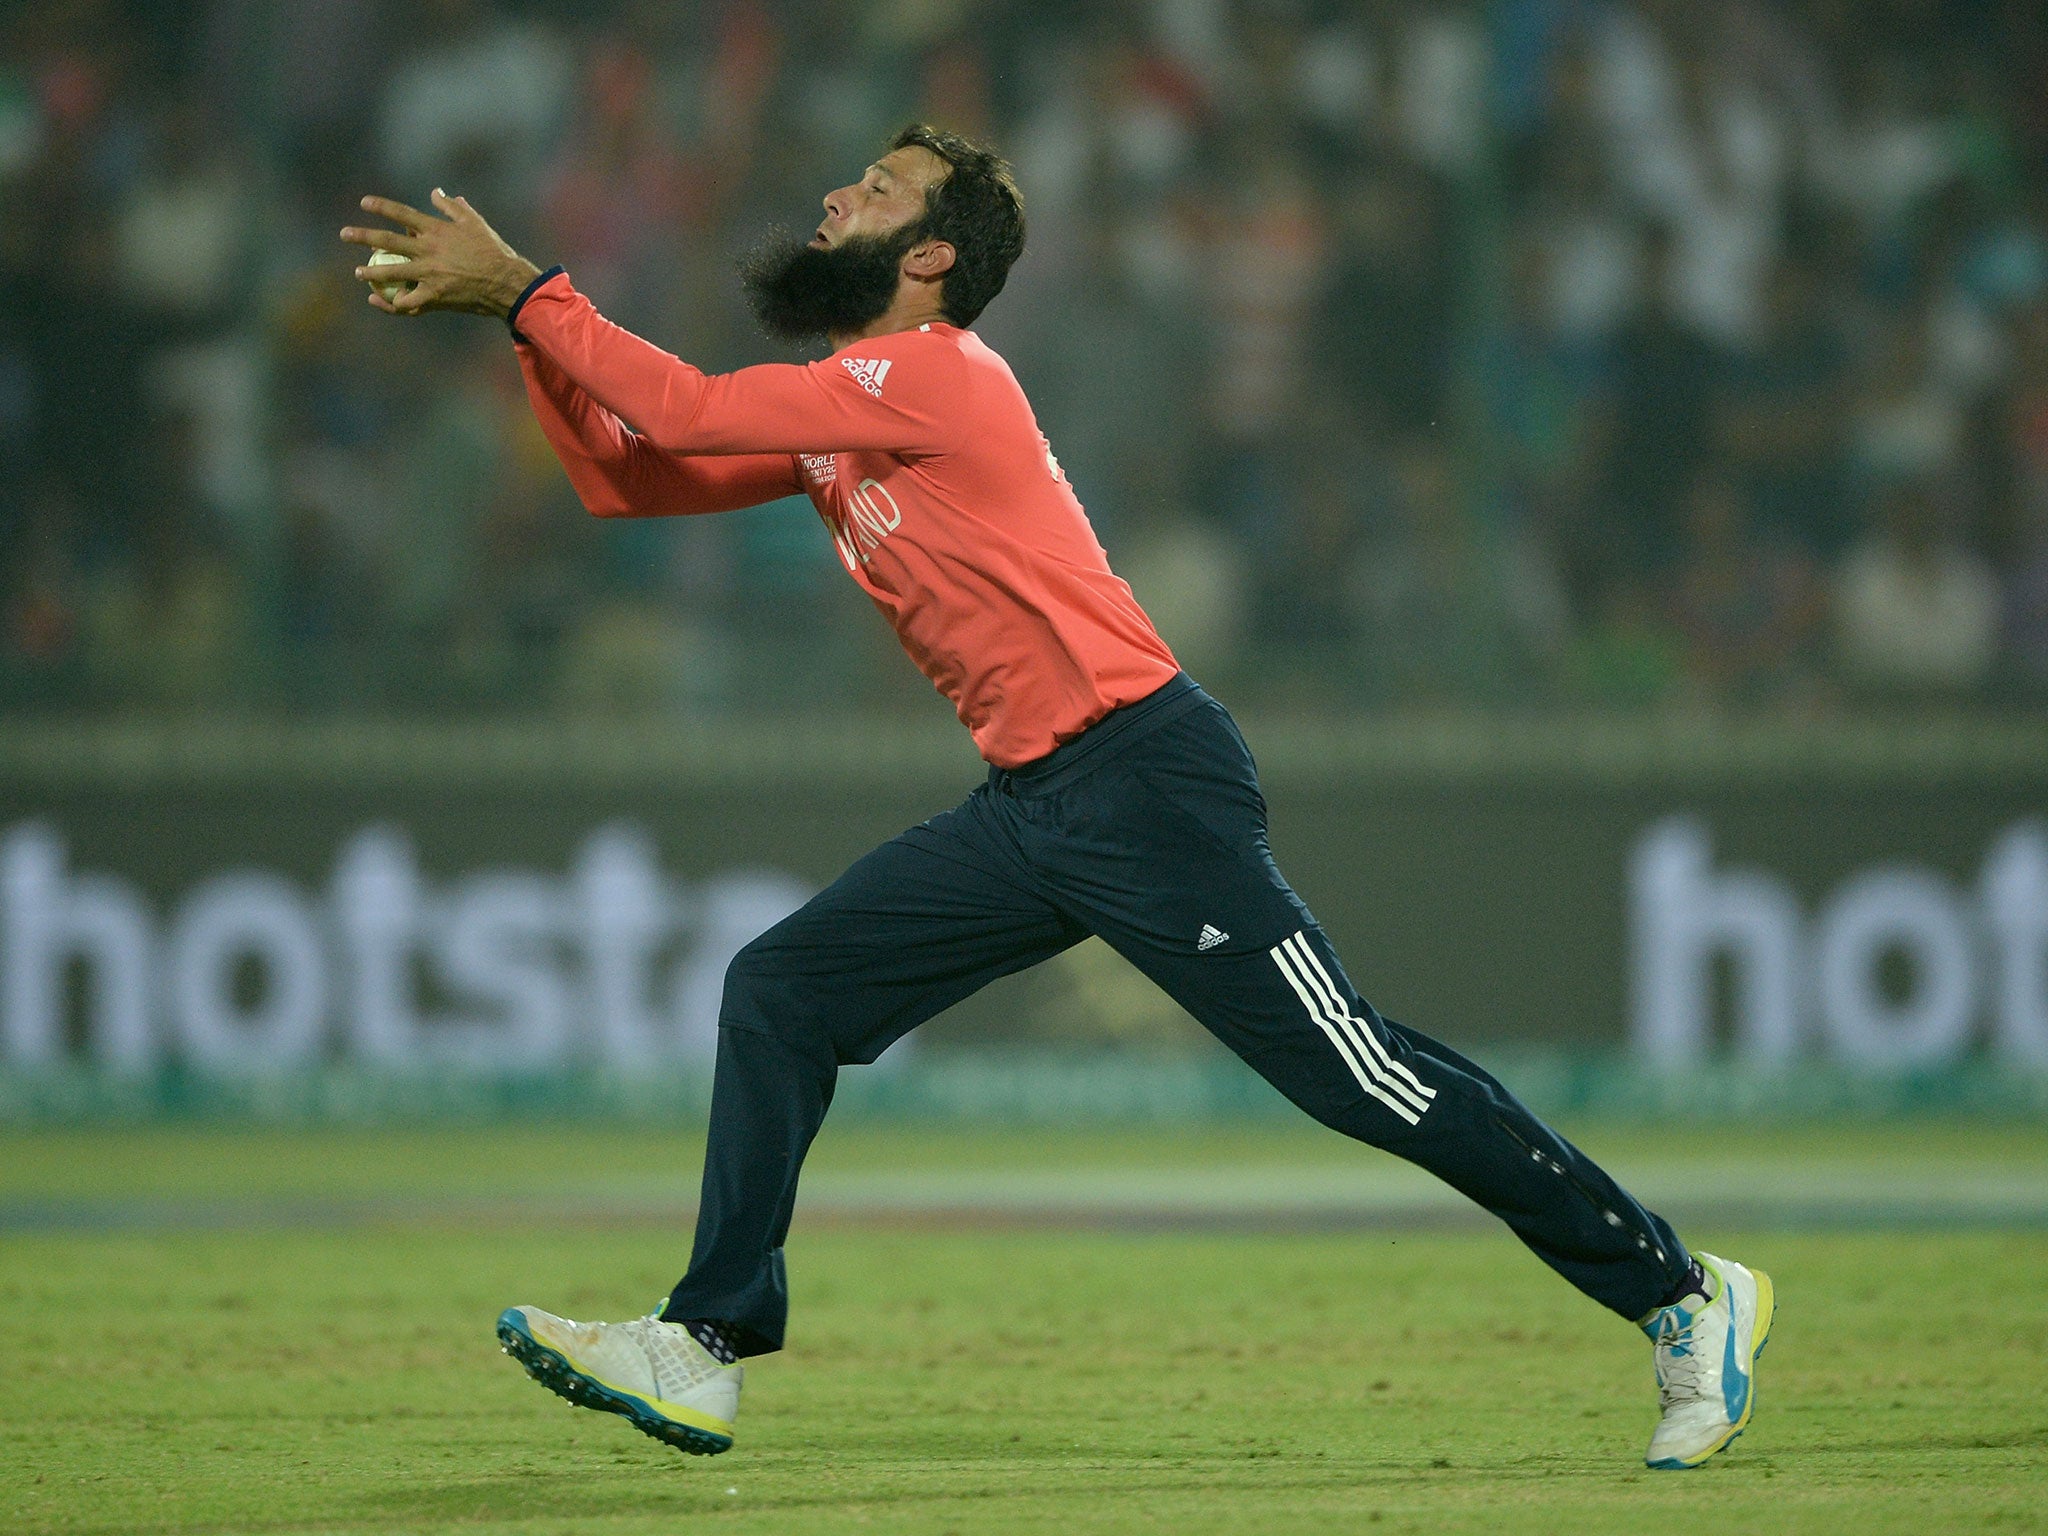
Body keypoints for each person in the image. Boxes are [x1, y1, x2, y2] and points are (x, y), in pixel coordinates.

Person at [341, 125, 1772, 1471]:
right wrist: (512, 328)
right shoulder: (851, 412)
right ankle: (703, 1340)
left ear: (931, 260)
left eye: (878, 189)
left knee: (1365, 1079)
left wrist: (531, 290)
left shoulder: (942, 374)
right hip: (1032, 806)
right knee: (781, 991)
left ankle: (1682, 1289)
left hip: (1145, 777)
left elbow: (688, 407)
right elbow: (626, 480)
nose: (838, 197)